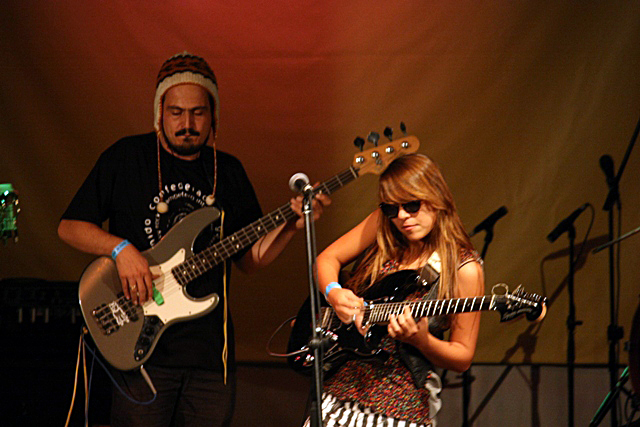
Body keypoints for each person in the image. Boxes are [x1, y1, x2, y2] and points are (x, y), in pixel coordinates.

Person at [58, 51, 330, 427]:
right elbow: (70, 226)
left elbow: (250, 260)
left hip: (209, 358)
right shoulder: (126, 157)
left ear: (213, 115)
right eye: (176, 112)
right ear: (159, 112)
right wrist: (121, 249)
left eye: (198, 113)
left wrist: (291, 226)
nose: (187, 124)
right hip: (139, 351)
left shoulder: (228, 171)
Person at [311, 153, 484, 426]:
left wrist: (422, 341)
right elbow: (326, 259)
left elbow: (462, 356)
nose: (402, 216)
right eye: (392, 209)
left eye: (412, 205)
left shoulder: (464, 268)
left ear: (436, 198)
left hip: (399, 404)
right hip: (339, 388)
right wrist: (334, 292)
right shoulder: (383, 226)